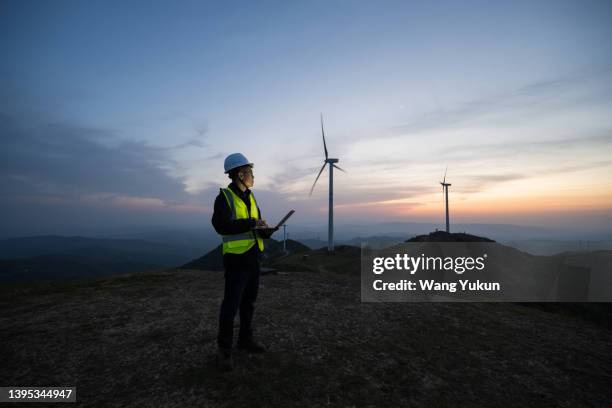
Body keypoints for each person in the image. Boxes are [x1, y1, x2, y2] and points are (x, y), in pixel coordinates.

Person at [211, 153, 278, 371]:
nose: (253, 176)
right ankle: (225, 351)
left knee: (249, 303)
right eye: (250, 172)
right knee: (230, 306)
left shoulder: (251, 197)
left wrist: (265, 231)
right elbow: (221, 226)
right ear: (240, 174)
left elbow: (254, 224)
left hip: (253, 258)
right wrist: (250, 223)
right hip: (236, 260)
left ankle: (245, 340)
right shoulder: (224, 198)